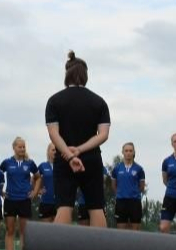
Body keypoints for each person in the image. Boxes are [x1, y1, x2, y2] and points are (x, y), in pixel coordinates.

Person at [45, 51, 111, 227]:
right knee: (96, 207)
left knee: (64, 207)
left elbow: (53, 134)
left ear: (67, 75)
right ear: (85, 75)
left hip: (65, 160)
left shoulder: (54, 101)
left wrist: (70, 155)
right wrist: (80, 150)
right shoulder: (99, 102)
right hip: (92, 159)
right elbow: (103, 135)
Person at [0, 137, 38, 250]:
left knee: (23, 231)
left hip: (24, 200)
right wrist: (1, 192)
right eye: (19, 147)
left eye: (23, 147)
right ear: (14, 148)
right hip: (10, 200)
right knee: (10, 230)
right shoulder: (6, 163)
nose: (22, 149)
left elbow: (38, 178)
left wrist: (34, 192)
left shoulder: (30, 163)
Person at [112, 142, 146, 231]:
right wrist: (121, 194)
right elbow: (114, 185)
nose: (128, 153)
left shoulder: (139, 169)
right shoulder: (117, 169)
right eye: (126, 151)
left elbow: (142, 187)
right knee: (121, 232)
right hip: (121, 202)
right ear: (122, 152)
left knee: (135, 233)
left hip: (135, 202)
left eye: (130, 151)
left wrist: (133, 193)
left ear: (134, 152)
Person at [35, 143, 57, 223]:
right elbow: (33, 179)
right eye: (53, 150)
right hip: (45, 203)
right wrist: (38, 191)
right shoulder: (42, 166)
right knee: (46, 232)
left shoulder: (62, 166)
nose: (55, 152)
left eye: (57, 150)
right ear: (48, 152)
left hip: (59, 203)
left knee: (59, 232)